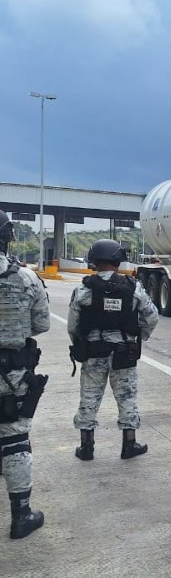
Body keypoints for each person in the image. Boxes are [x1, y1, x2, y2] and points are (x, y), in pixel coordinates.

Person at [69, 239, 159, 461]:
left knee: (89, 397)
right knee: (127, 397)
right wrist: (139, 337)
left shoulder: (83, 289)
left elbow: (73, 325)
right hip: (123, 351)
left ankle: (87, 447)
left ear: (94, 259)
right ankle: (129, 445)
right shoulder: (133, 287)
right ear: (118, 260)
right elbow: (151, 317)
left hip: (93, 352)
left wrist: (81, 342)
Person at [0, 210, 50, 539]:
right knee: (15, 438)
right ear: (8, 236)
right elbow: (42, 323)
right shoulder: (26, 278)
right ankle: (21, 515)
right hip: (10, 372)